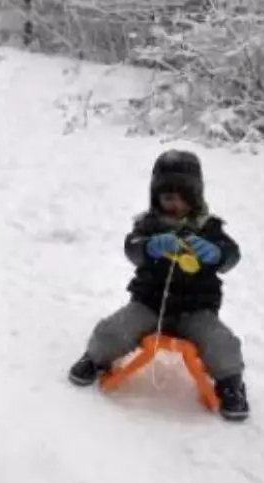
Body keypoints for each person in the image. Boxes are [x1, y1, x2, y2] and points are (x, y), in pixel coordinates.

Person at [67, 150, 250, 421]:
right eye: (166, 198)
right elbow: (132, 248)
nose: (173, 204)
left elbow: (231, 254)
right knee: (113, 330)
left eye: (180, 198)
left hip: (197, 310)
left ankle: (231, 384)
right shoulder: (148, 226)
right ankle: (94, 360)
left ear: (195, 197)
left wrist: (216, 253)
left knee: (221, 343)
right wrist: (149, 247)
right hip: (149, 305)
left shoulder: (209, 228)